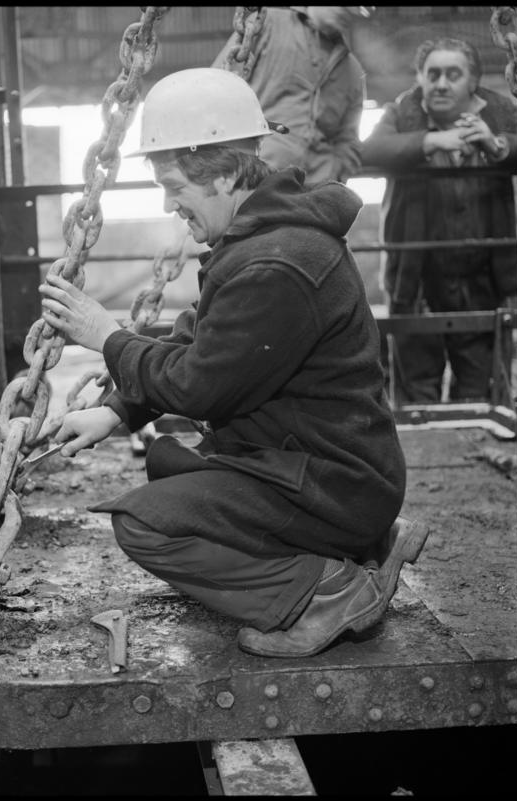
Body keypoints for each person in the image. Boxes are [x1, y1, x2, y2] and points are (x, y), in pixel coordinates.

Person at [38, 67, 422, 658]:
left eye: (175, 187)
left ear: (222, 173)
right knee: (177, 477)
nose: (170, 206)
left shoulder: (276, 265)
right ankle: (356, 550)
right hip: (320, 466)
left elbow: (200, 387)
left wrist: (106, 336)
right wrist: (116, 412)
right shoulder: (261, 244)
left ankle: (330, 592)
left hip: (332, 483)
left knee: (146, 525)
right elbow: (199, 343)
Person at [361, 37, 517, 403]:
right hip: (415, 279)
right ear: (420, 78)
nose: (441, 84)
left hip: (484, 278)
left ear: (473, 81)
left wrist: (497, 144)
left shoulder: (500, 111)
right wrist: (433, 141)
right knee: (417, 394)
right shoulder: (402, 111)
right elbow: (367, 150)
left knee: (482, 393)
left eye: (453, 74)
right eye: (432, 74)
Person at [212, 6, 371, 184]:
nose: (349, 11)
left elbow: (349, 140)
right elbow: (216, 89)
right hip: (253, 182)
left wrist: (333, 175)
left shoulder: (352, 71)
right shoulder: (267, 25)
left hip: (312, 194)